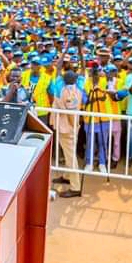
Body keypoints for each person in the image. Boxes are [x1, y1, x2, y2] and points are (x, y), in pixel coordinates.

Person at [50, 70, 83, 198]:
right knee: (69, 153)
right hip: (71, 126)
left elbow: (57, 70)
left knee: (70, 156)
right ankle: (67, 176)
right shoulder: (78, 88)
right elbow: (83, 74)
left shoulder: (61, 91)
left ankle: (75, 187)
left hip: (66, 128)